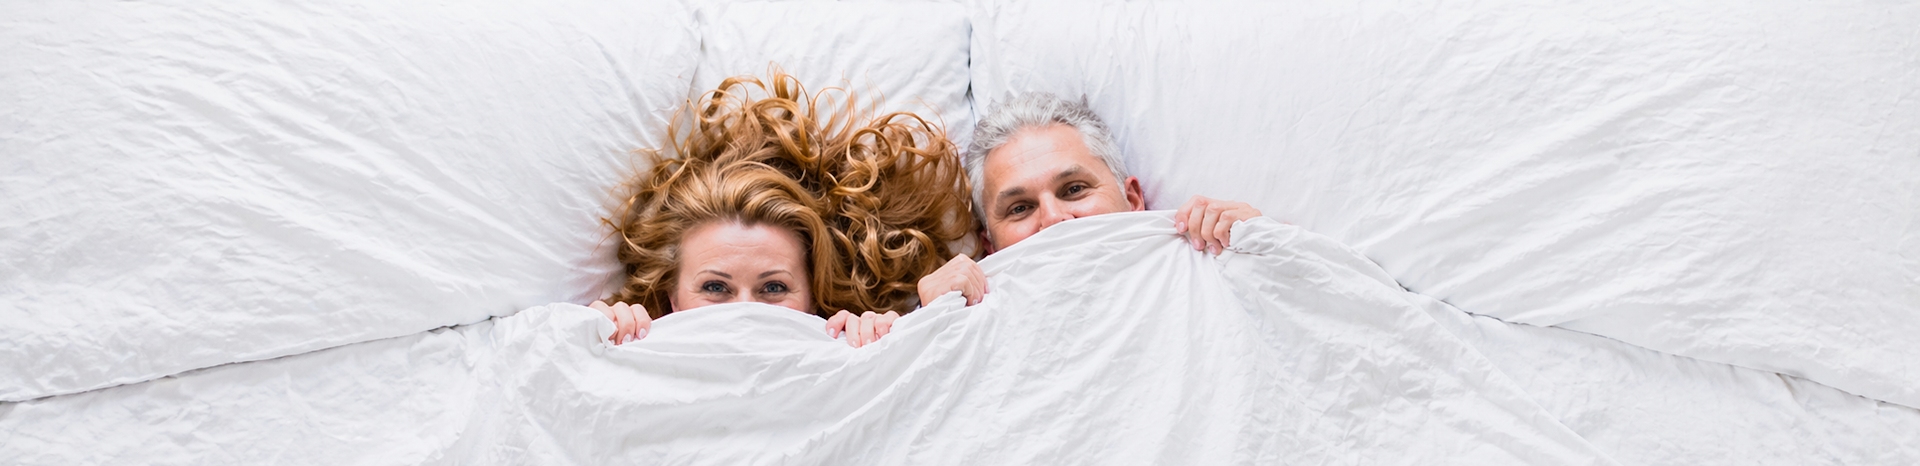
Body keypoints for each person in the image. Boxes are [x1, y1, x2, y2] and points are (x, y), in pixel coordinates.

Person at [591, 71, 976, 348]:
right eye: (715, 287)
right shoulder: (627, 346)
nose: (745, 313)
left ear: (812, 302)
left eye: (773, 288)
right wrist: (587, 341)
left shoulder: (855, 349)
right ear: (673, 300)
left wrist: (902, 339)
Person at [914, 92, 1265, 306]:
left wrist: (1259, 248)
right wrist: (922, 332)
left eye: (1074, 189)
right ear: (989, 245)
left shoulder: (1213, 262)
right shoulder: (954, 316)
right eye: (1020, 208)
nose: (1054, 219)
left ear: (1132, 199)